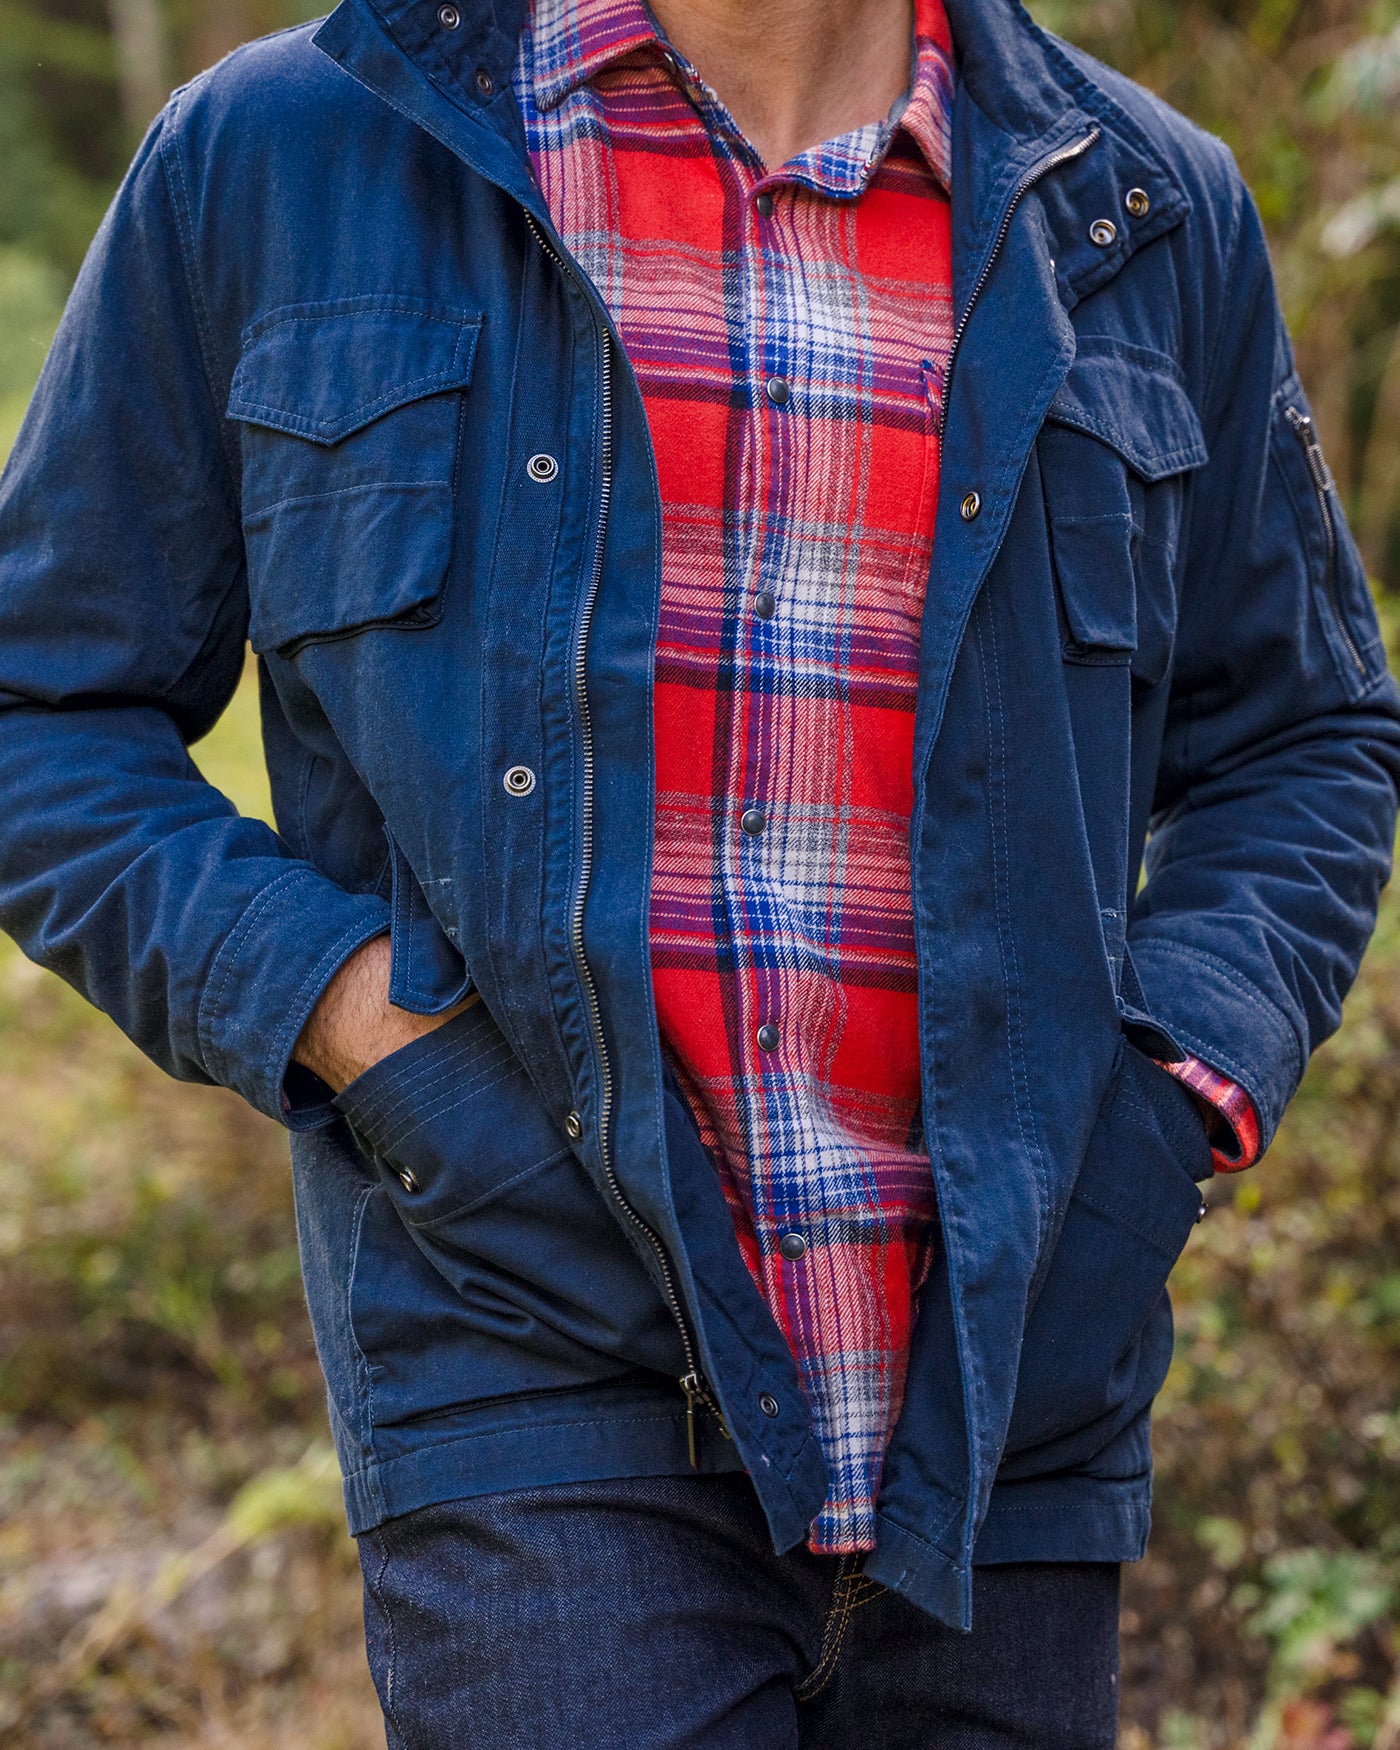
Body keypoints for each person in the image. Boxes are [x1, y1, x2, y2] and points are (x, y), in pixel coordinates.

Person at [1, 0, 1396, 1740]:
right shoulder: (289, 155)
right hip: (536, 1372)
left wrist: (1164, 1107)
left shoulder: (1137, 205)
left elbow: (1304, 737)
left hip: (1013, 1423)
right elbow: (41, 708)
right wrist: (361, 1024)